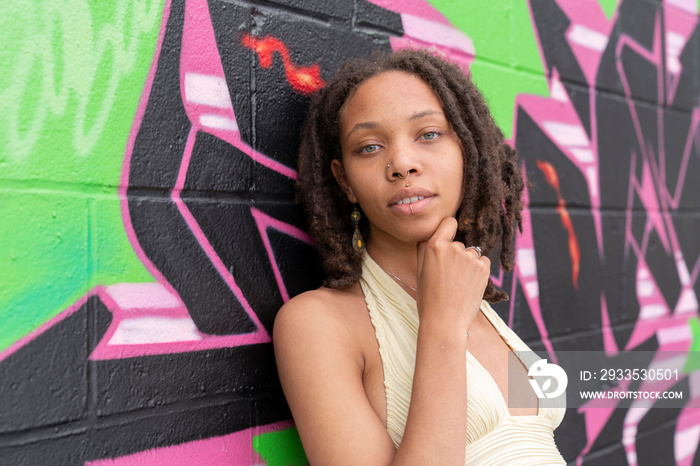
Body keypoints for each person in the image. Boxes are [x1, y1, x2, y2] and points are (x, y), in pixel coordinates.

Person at [273, 49, 566, 465]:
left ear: (467, 150)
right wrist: (442, 324)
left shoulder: (470, 292)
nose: (402, 164)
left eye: (428, 134)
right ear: (346, 182)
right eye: (370, 147)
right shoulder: (317, 325)